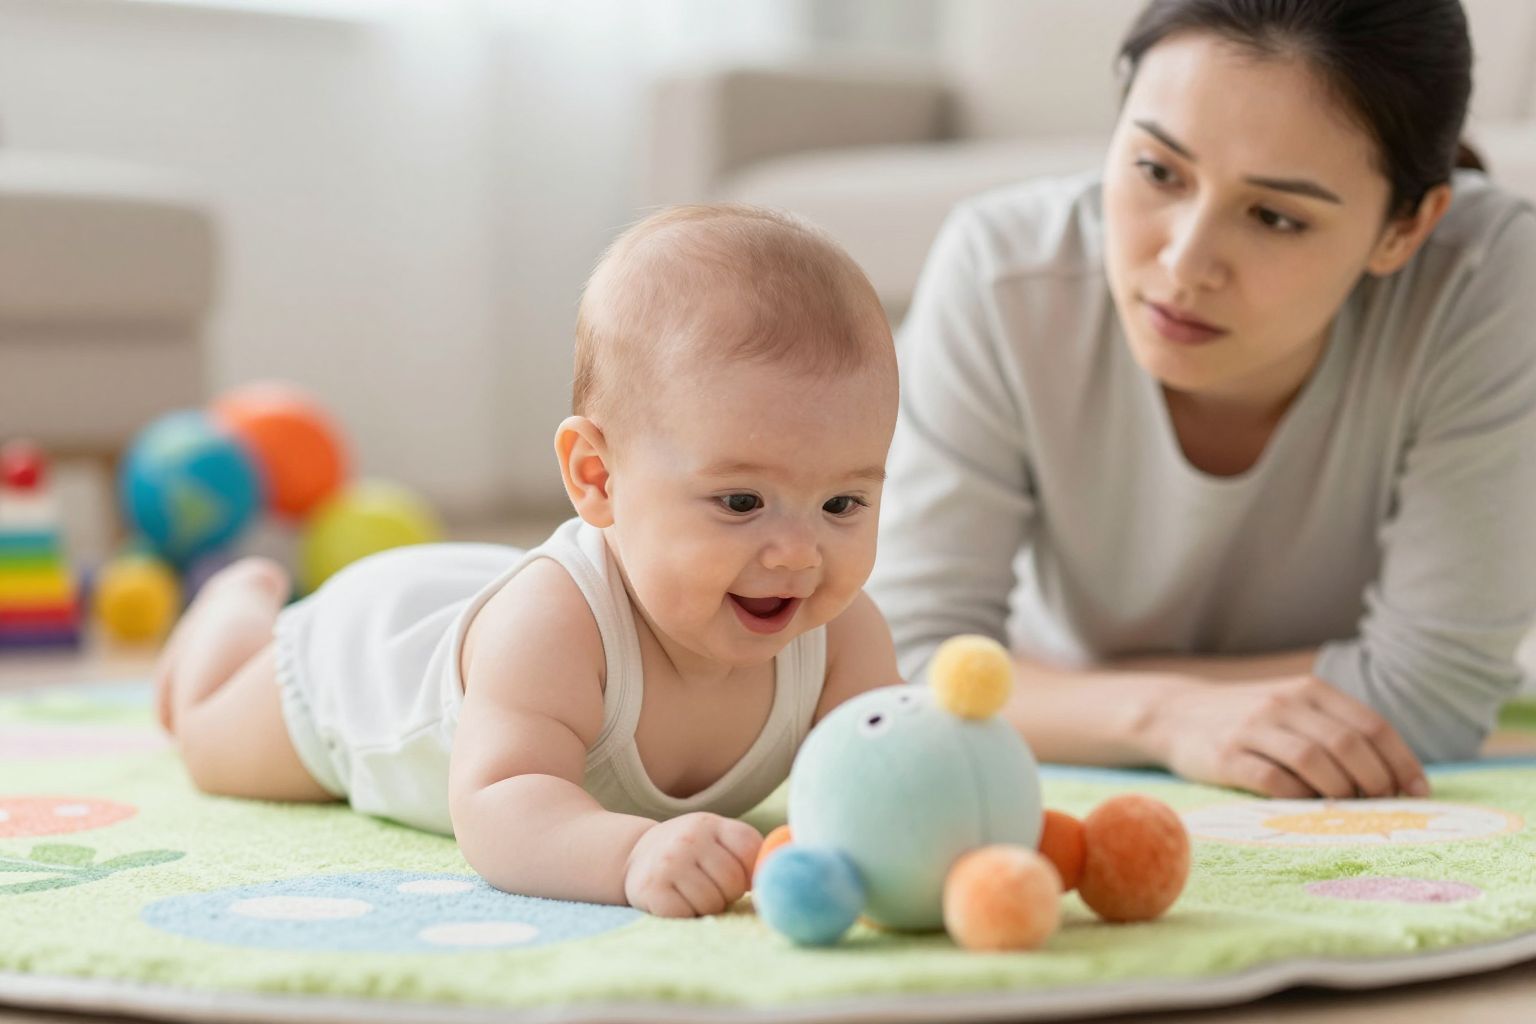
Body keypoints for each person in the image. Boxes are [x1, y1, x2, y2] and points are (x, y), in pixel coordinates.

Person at [869, 0, 1536, 801]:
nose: (1186, 264)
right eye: (1157, 171)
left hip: (1062, 699)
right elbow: (898, 667)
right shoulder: (1001, 271)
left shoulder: (1483, 279)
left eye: (1276, 217)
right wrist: (1163, 714)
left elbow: (1430, 698)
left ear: (1405, 229)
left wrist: (1067, 695)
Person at [154, 204, 902, 917]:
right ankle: (234, 610)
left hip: (478, 599)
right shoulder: (555, 631)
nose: (800, 554)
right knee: (208, 742)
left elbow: (886, 775)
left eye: (843, 505)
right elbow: (503, 801)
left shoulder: (842, 637)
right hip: (357, 668)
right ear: (597, 478)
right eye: (742, 503)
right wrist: (632, 853)